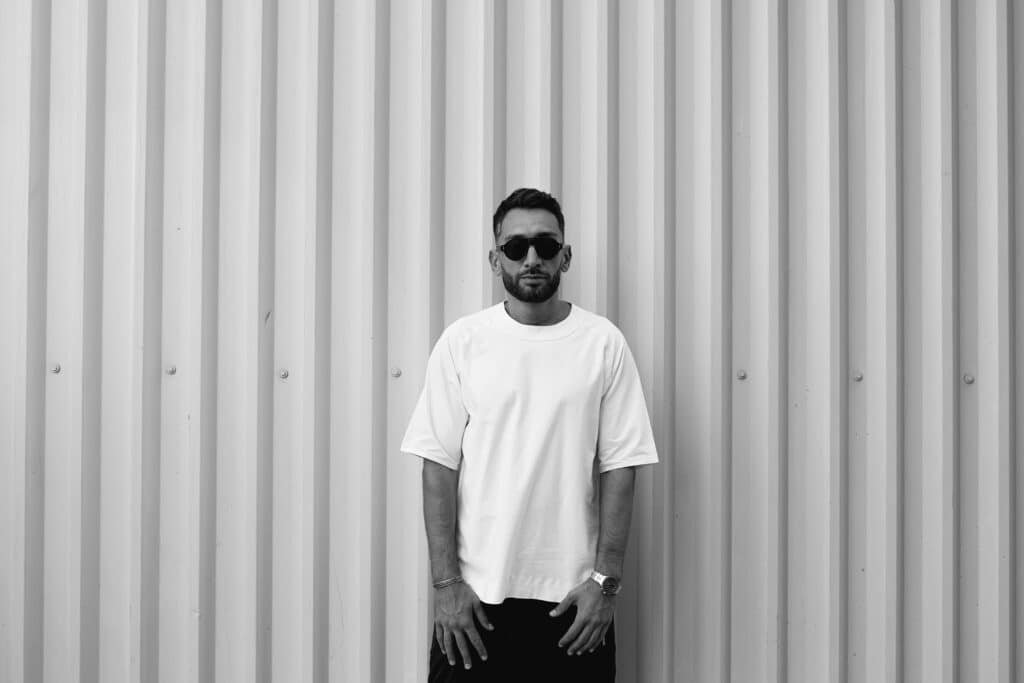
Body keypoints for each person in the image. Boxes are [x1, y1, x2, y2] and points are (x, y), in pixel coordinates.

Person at [400, 188, 659, 682]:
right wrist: (446, 585)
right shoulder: (463, 342)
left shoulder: (603, 343)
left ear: (566, 255)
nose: (532, 258)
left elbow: (622, 466)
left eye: (546, 244)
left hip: (574, 605)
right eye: (517, 247)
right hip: (475, 604)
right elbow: (437, 465)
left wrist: (604, 584)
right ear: (495, 259)